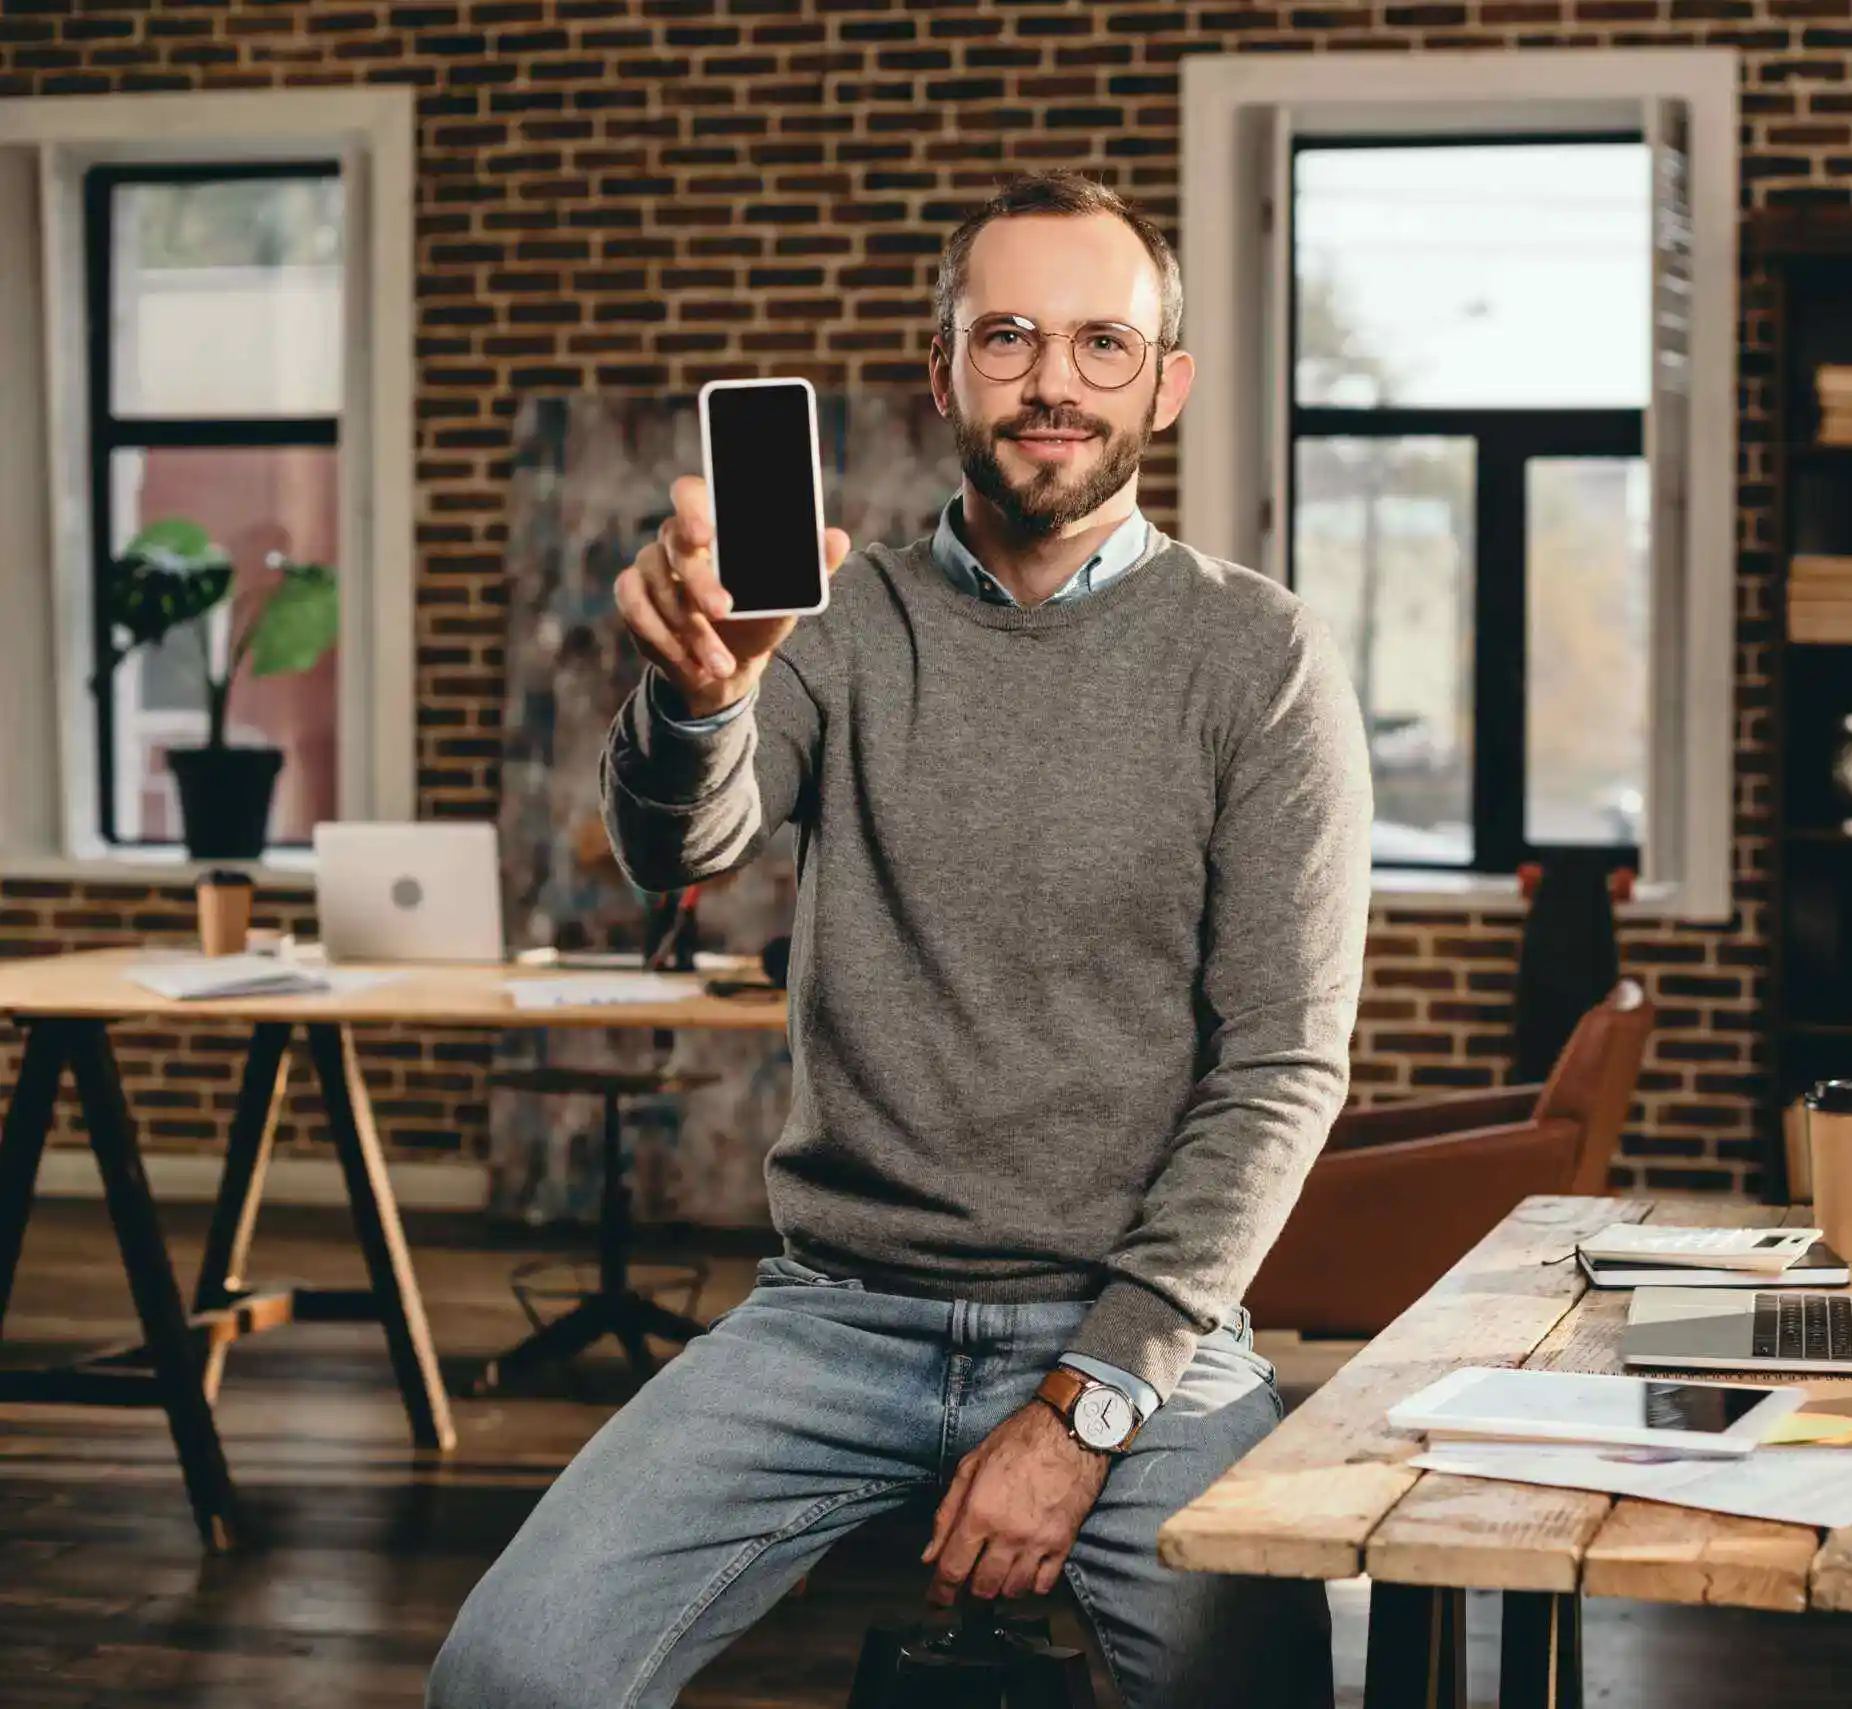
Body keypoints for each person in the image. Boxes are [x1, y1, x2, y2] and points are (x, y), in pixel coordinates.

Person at [427, 173, 1371, 1709]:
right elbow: (681, 847)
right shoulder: (839, 618)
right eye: (1005, 338)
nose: (1052, 381)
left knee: (1255, 1689)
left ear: (1167, 387)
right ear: (941, 374)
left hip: (1137, 1330)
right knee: (506, 1678)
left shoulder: (1259, 655)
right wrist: (702, 695)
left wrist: (1084, 1408)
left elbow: (1278, 1070)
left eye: (1100, 344)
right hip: (834, 1314)